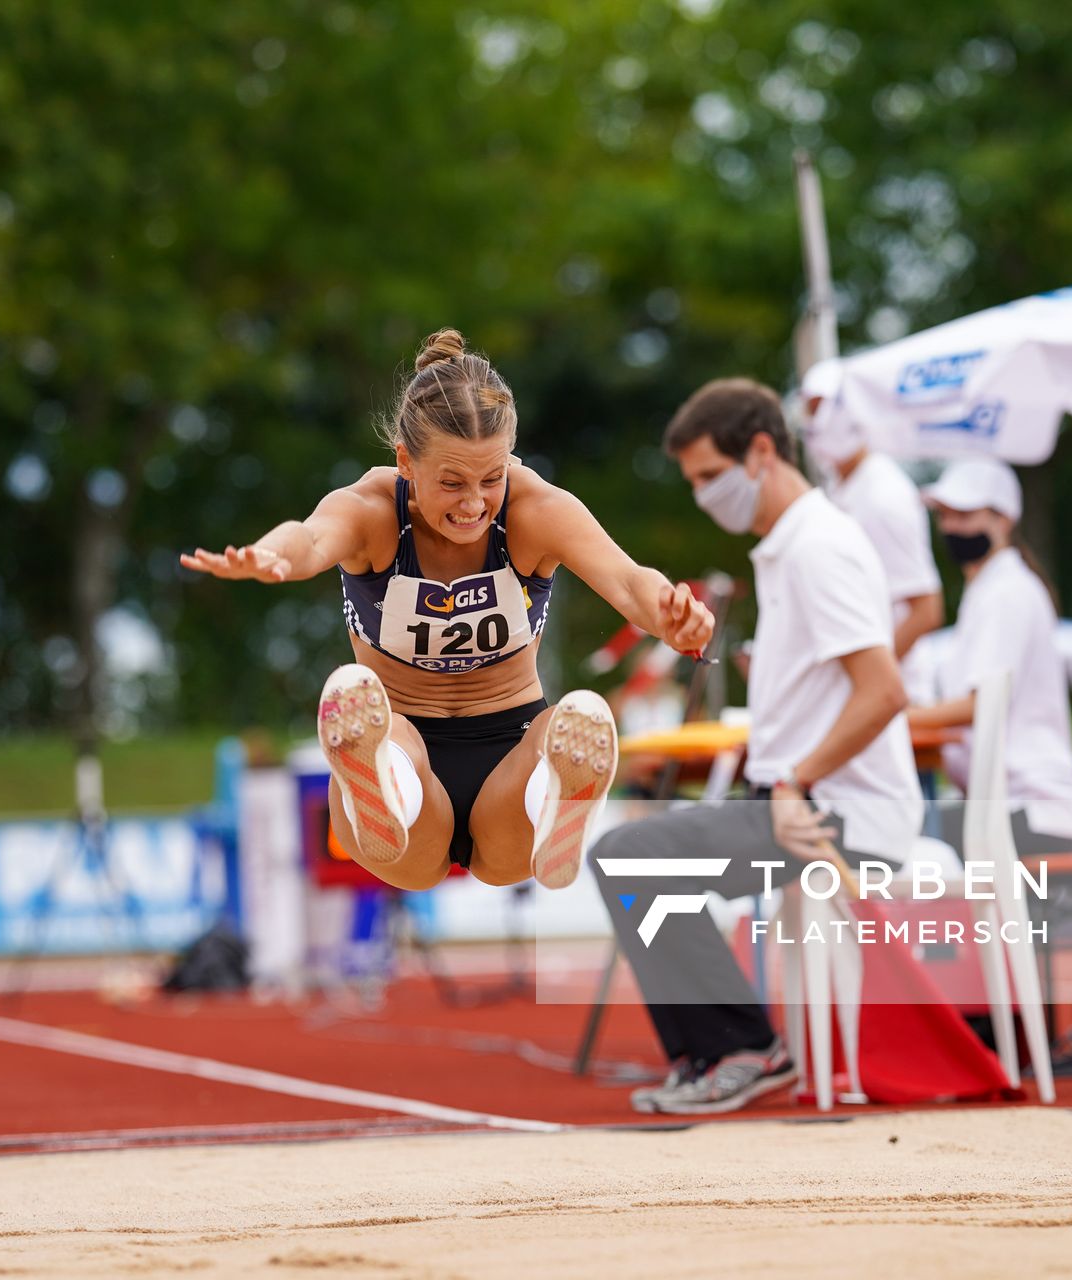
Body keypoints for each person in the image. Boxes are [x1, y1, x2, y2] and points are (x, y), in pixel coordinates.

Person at [180, 329, 713, 892]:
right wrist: (270, 556)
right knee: (393, 744)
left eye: (492, 478)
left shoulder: (535, 510)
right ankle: (381, 782)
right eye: (452, 483)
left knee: (561, 728)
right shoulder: (372, 512)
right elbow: (309, 541)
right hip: (405, 739)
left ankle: (556, 794)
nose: (475, 503)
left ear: (511, 459)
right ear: (405, 461)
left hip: (512, 745)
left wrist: (672, 616)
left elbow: (630, 583)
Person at [590, 377, 924, 1115]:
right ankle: (716, 1049)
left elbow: (885, 691)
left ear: (762, 452)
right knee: (637, 856)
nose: (704, 495)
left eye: (711, 475)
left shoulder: (819, 548)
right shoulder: (794, 546)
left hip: (835, 818)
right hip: (808, 802)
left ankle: (740, 1048)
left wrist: (793, 779)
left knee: (628, 857)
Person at [909, 457, 1072, 855]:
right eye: (944, 515)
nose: (950, 527)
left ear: (1004, 520)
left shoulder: (1006, 593)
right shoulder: (992, 589)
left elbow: (981, 705)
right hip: (1014, 805)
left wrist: (894, 717)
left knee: (903, 846)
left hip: (1028, 807)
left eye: (964, 515)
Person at [799, 360, 945, 658]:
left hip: (897, 692)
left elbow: (926, 609)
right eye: (810, 411)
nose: (815, 423)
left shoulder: (882, 495)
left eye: (821, 409)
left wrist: (873, 680)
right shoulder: (842, 489)